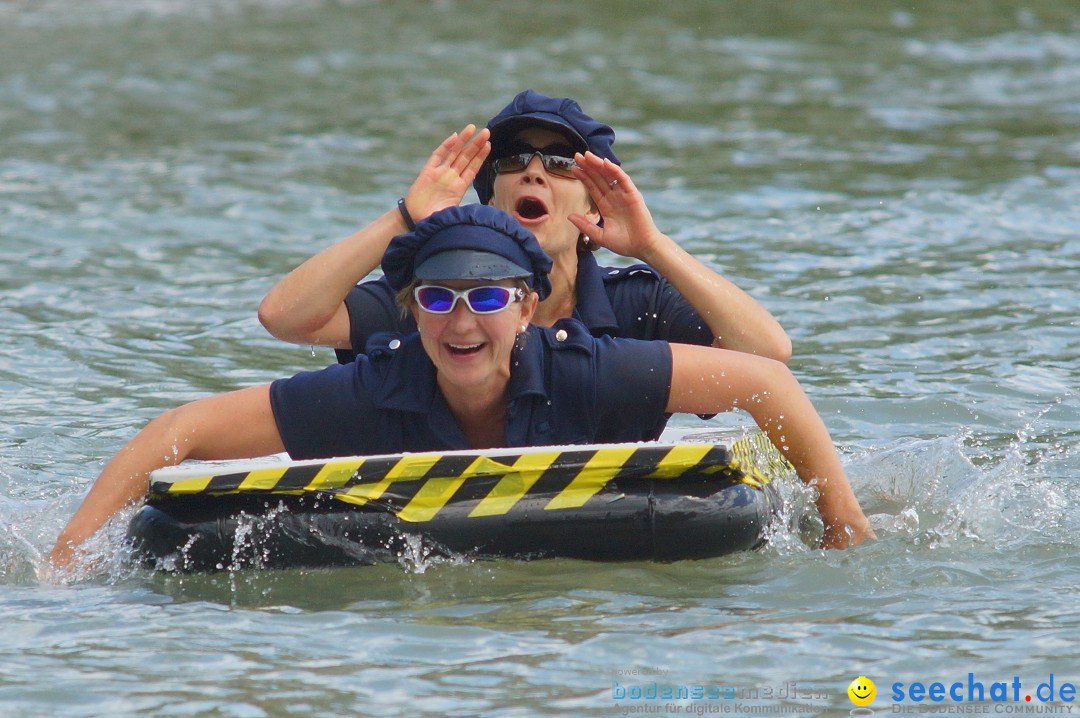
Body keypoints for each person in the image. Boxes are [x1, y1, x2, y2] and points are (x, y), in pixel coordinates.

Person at [49, 205, 871, 571]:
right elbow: (180, 429)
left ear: (522, 307)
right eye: (437, 300)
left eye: (485, 298)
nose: (460, 321)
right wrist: (72, 551)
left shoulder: (587, 364)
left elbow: (768, 379)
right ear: (411, 313)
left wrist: (841, 519)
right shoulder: (376, 388)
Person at [257, 90, 792, 366]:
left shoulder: (637, 307)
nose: (534, 170)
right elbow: (285, 317)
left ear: (597, 208)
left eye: (561, 163)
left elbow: (766, 353)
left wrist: (651, 246)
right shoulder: (437, 303)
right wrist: (405, 218)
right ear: (489, 201)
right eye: (514, 159)